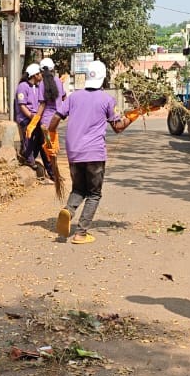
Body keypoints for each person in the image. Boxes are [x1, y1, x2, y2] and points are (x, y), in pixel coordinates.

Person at [47, 60, 144, 244]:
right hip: (94, 154)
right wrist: (134, 114)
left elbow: (54, 120)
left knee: (79, 188)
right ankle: (81, 233)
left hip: (73, 152)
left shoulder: (73, 97)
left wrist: (50, 139)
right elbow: (118, 127)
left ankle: (68, 210)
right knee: (94, 193)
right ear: (103, 78)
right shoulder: (107, 100)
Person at [14, 63, 42, 171]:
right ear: (35, 75)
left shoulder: (38, 87)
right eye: (39, 74)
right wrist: (31, 116)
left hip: (36, 117)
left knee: (40, 139)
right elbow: (22, 106)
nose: (41, 76)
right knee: (29, 137)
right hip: (26, 118)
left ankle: (28, 156)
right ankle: (29, 160)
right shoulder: (23, 87)